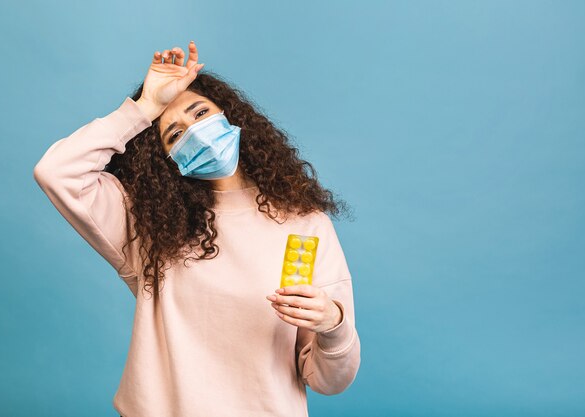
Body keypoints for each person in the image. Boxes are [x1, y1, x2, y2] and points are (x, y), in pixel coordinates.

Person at [33, 40, 360, 417]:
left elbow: (328, 381)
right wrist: (144, 108)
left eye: (200, 112)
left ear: (231, 115)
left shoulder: (305, 225)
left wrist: (333, 325)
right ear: (166, 159)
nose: (195, 132)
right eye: (174, 134)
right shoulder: (148, 226)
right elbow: (56, 172)